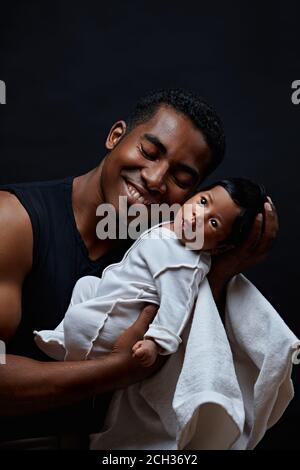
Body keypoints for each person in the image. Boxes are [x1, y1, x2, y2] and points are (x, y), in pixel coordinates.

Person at [0, 89, 278, 447]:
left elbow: (183, 387)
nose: (155, 179)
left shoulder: (170, 248)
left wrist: (221, 273)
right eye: (149, 152)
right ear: (116, 136)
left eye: (182, 178)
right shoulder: (14, 220)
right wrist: (119, 370)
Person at [34, 178, 267, 369]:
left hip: (125, 314)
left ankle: (76, 356)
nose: (198, 216)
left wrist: (155, 342)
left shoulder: (186, 262)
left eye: (213, 223)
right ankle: (63, 338)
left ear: (220, 247)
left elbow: (176, 304)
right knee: (86, 284)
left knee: (80, 320)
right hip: (113, 291)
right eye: (203, 202)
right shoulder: (173, 227)